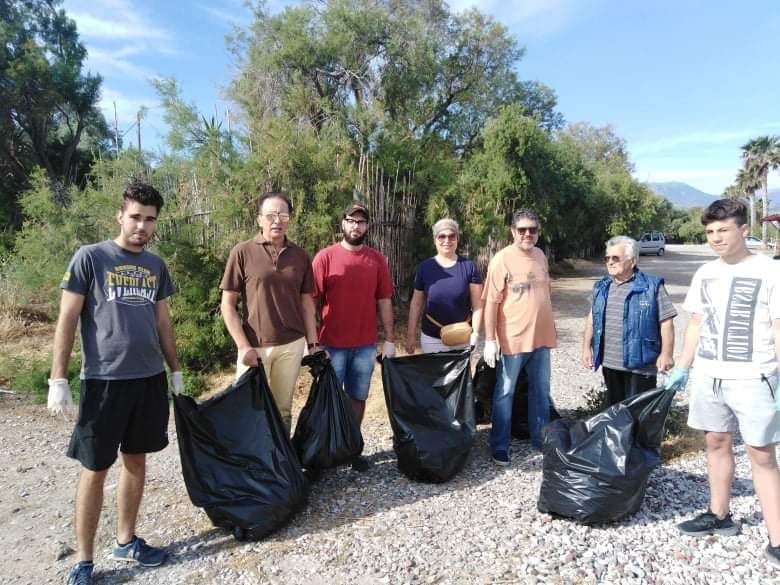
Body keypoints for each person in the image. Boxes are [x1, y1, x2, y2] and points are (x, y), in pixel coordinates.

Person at [48, 181, 184, 585]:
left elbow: (162, 321)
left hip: (149, 380)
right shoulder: (90, 258)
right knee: (95, 469)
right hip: (104, 380)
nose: (142, 225)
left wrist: (175, 370)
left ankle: (125, 540)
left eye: (150, 219)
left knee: (137, 462)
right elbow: (68, 319)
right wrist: (58, 378)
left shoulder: (156, 266)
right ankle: (85, 561)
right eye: (135, 217)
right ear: (120, 216)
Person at [665, 199, 779, 570]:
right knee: (716, 442)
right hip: (709, 375)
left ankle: (777, 538)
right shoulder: (705, 273)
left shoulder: (770, 272)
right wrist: (683, 367)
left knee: (761, 454)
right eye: (710, 232)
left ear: (743, 229)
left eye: (723, 230)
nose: (715, 238)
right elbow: (696, 323)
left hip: (754, 376)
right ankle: (719, 515)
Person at [220, 192, 319, 432]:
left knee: (282, 410)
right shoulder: (242, 252)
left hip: (291, 345)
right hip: (255, 347)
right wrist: (243, 346)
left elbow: (307, 304)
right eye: (271, 215)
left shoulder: (301, 256)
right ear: (259, 219)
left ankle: (281, 464)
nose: (277, 220)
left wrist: (313, 343)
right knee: (250, 410)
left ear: (290, 219)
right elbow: (228, 305)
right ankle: (252, 466)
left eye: (283, 215)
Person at [312, 202, 395, 471]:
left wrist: (390, 339)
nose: (355, 226)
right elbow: (310, 303)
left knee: (358, 397)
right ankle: (326, 453)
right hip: (331, 345)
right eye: (350, 220)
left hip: (365, 345)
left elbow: (384, 300)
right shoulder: (325, 258)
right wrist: (312, 343)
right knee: (328, 401)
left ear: (367, 226)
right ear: (342, 223)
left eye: (360, 221)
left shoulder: (376, 260)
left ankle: (350, 447)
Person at [482, 209, 556, 465]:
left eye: (532, 229)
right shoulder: (501, 260)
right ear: (513, 231)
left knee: (541, 391)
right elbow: (491, 302)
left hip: (542, 340)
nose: (527, 234)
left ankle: (541, 439)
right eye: (522, 229)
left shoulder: (541, 256)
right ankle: (500, 445)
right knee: (505, 392)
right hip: (512, 340)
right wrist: (490, 340)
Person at [582, 235, 676, 405]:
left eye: (615, 258)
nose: (610, 262)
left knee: (638, 414)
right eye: (607, 258)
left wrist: (667, 354)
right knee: (615, 414)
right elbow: (592, 319)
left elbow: (666, 322)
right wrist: (586, 349)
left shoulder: (652, 286)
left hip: (641, 364)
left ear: (632, 261)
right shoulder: (601, 287)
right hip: (610, 363)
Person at [405, 218, 482, 354]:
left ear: (457, 239)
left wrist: (475, 333)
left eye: (452, 236)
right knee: (434, 375)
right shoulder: (425, 268)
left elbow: (478, 305)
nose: (447, 240)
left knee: (460, 376)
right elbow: (416, 304)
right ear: (435, 239)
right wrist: (411, 335)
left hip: (462, 337)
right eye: (442, 236)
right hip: (432, 338)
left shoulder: (469, 267)